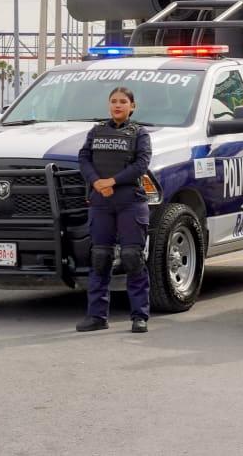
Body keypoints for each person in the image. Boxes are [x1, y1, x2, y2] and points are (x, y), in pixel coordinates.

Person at [76, 87, 153, 333]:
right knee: (100, 258)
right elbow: (83, 158)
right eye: (113, 101)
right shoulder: (96, 131)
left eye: (123, 102)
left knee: (132, 257)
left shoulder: (140, 134)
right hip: (100, 200)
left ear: (132, 106)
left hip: (130, 200)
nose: (117, 105)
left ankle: (139, 316)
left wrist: (112, 181)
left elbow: (141, 164)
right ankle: (97, 316)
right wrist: (97, 181)